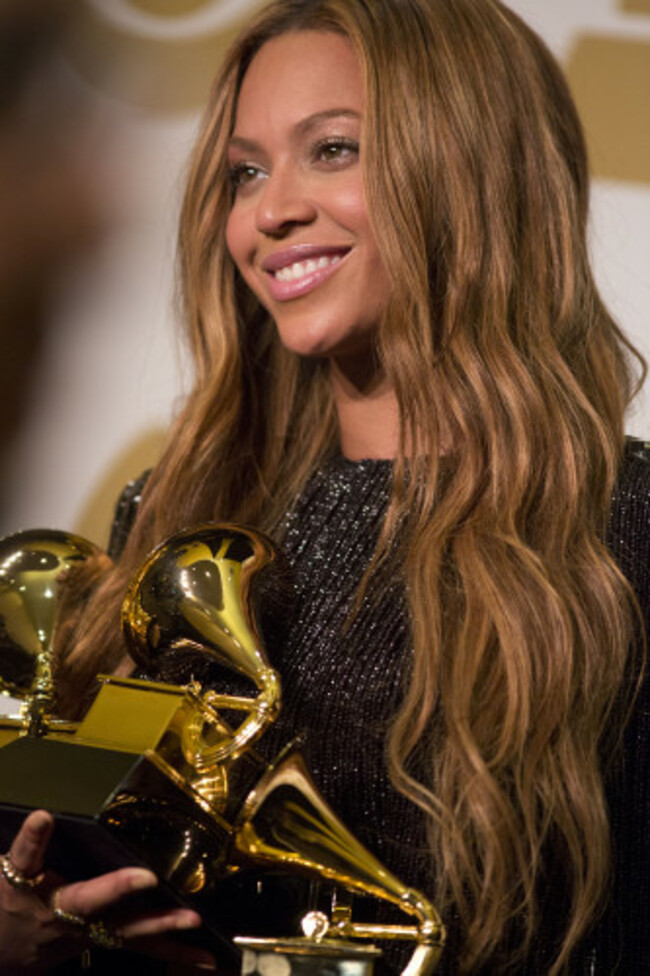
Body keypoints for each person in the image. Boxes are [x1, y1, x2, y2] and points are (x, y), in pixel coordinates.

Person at [1, 0, 648, 973]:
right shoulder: (179, 518)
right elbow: (77, 827)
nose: (270, 211)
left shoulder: (619, 534)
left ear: (471, 162)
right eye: (245, 171)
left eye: (332, 150)